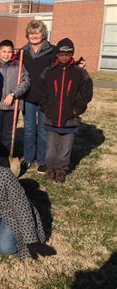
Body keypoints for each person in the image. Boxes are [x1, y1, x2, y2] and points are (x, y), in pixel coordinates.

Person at [38, 38, 93, 183]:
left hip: (70, 118)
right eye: (61, 54)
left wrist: (77, 110)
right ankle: (50, 168)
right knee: (51, 147)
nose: (64, 57)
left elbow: (87, 92)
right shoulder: (49, 71)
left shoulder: (79, 72)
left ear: (72, 55)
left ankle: (61, 170)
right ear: (57, 54)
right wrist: (46, 108)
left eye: (67, 54)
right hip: (52, 117)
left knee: (65, 148)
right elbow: (41, 91)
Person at [0, 40, 30, 167]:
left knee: (8, 135)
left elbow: (26, 81)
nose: (6, 55)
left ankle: (5, 158)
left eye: (9, 52)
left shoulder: (18, 65)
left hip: (12, 106)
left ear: (13, 53)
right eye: (4, 52)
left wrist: (13, 94)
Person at [21, 20, 55, 174]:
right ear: (27, 35)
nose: (34, 35)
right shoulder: (22, 52)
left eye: (37, 32)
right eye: (31, 33)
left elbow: (64, 62)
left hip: (45, 96)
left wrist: (78, 64)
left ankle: (42, 160)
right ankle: (28, 158)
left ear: (43, 34)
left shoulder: (52, 51)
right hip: (28, 96)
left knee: (42, 130)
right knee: (28, 129)